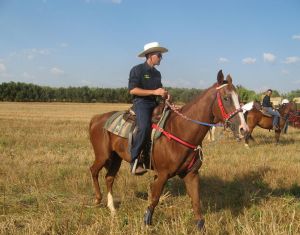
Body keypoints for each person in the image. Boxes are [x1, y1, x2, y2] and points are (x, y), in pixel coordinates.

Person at [128, 42, 169, 175]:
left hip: (155, 103)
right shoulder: (137, 70)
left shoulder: (157, 74)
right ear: (150, 56)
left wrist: (165, 95)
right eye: (159, 55)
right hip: (141, 103)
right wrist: (154, 92)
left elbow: (159, 90)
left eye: (161, 55)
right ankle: (134, 159)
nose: (161, 58)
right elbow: (133, 90)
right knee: (145, 127)